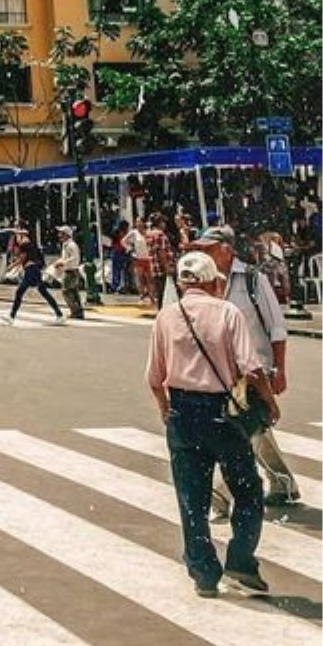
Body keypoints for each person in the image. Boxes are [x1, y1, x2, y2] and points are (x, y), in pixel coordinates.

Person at [146, 250, 277, 597]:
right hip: (222, 414)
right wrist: (269, 401)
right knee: (247, 491)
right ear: (211, 281)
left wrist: (165, 409)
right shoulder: (227, 313)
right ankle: (240, 560)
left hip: (182, 414)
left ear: (182, 282)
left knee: (192, 499)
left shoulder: (165, 317)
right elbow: (252, 369)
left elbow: (155, 378)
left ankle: (204, 573)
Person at [194, 226, 301, 513]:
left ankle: (220, 493)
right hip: (223, 372)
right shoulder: (206, 283)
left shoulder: (254, 280)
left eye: (208, 249)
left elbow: (276, 328)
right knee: (252, 428)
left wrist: (279, 368)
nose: (202, 254)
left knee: (241, 430)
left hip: (255, 369)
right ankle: (283, 483)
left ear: (226, 249)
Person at [0, 229, 65, 325]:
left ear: (21, 235)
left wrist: (11, 266)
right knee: (43, 292)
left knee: (20, 292)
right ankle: (59, 315)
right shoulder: (33, 244)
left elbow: (22, 258)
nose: (16, 238)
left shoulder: (24, 245)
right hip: (35, 270)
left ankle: (11, 317)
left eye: (17, 235)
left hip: (30, 270)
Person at [53, 226, 85, 320]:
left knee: (66, 291)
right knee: (73, 292)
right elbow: (66, 257)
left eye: (61, 233)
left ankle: (75, 311)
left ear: (66, 235)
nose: (59, 235)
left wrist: (62, 263)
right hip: (70, 270)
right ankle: (78, 312)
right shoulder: (66, 245)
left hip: (71, 271)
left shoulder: (71, 245)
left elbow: (74, 258)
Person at [146, 214, 175, 309]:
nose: (165, 224)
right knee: (167, 291)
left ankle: (160, 310)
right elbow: (162, 252)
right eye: (163, 222)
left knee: (160, 293)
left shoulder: (148, 234)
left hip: (154, 267)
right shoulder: (160, 234)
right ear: (159, 223)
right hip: (162, 267)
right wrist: (167, 267)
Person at [124, 216, 152, 305]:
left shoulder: (149, 231)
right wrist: (130, 249)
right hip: (138, 258)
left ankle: (151, 296)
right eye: (137, 222)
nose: (138, 224)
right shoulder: (134, 233)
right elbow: (124, 241)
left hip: (149, 258)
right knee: (140, 278)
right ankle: (142, 295)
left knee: (149, 278)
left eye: (140, 222)